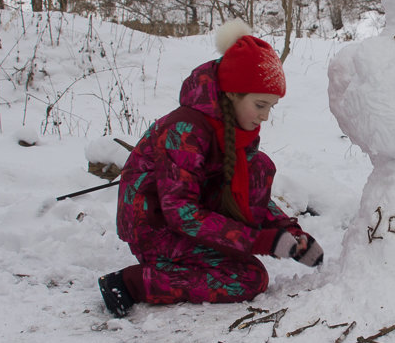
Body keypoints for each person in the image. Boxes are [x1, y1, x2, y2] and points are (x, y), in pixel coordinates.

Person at [98, 20, 323, 318]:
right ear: (232, 93)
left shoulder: (238, 128)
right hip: (154, 228)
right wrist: (259, 241)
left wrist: (288, 232)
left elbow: (246, 193)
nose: (265, 116)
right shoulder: (186, 130)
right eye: (259, 105)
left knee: (259, 167)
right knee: (247, 278)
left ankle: (192, 260)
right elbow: (180, 212)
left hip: (191, 217)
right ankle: (132, 283)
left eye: (271, 107)